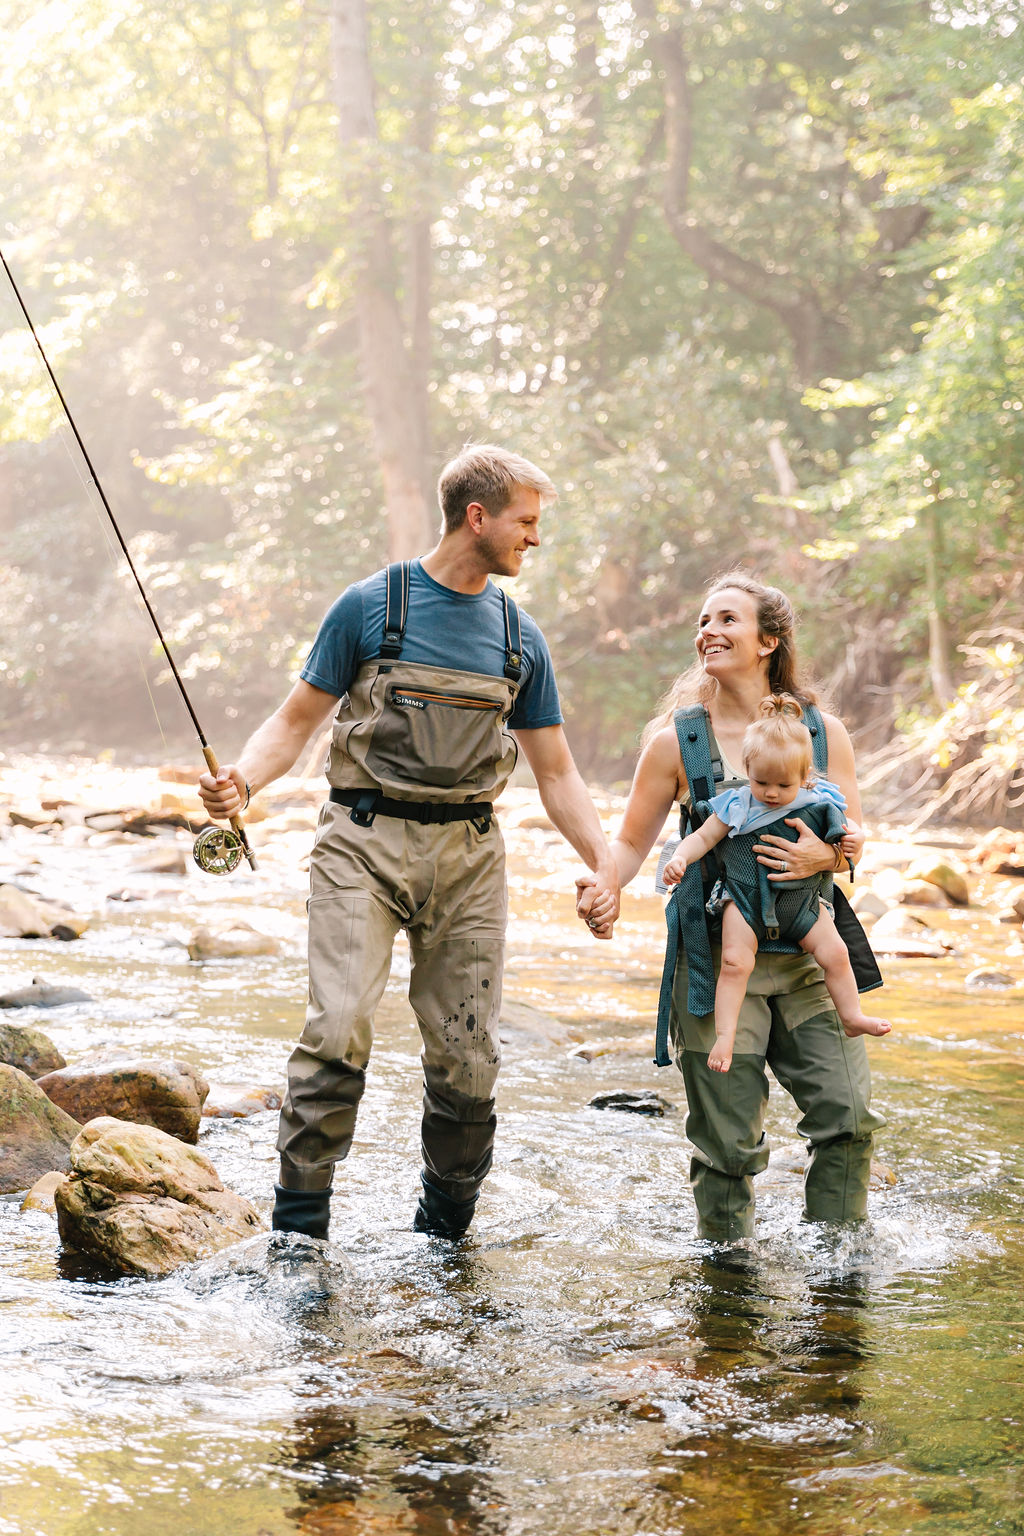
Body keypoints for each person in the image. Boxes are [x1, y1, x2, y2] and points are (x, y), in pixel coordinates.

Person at [198, 444, 620, 1243]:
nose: (536, 538)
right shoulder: (368, 607)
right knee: (337, 1030)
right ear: (477, 517)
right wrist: (242, 787)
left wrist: (604, 869)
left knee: (470, 1061)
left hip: (469, 857)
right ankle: (299, 1234)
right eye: (526, 522)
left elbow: (558, 773)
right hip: (362, 843)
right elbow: (294, 723)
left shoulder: (519, 638)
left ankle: (445, 1235)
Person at [576, 573, 885, 1244]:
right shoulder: (674, 742)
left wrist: (822, 861)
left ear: (768, 641)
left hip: (809, 959)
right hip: (716, 967)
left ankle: (837, 1281)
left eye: (727, 619)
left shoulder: (823, 735)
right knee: (727, 1151)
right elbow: (631, 842)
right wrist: (606, 886)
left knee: (850, 1121)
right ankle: (728, 1291)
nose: (707, 630)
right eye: (703, 618)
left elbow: (853, 840)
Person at [657, 692, 891, 1073]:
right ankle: (726, 1036)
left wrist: (853, 840)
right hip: (744, 901)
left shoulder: (820, 799)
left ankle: (851, 1015)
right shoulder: (739, 803)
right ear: (747, 768)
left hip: (802, 905)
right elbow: (703, 837)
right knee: (734, 962)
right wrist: (680, 857)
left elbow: (850, 835)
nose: (770, 793)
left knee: (836, 953)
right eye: (760, 781)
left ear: (804, 778)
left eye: (783, 786)